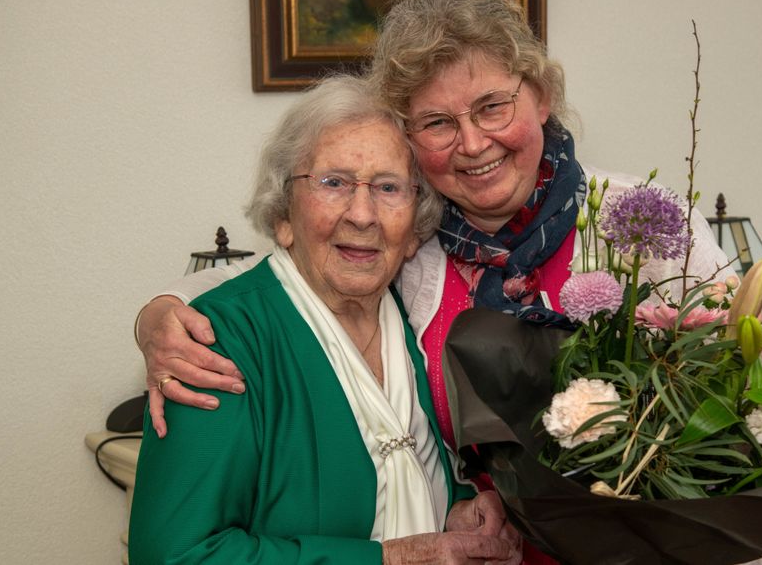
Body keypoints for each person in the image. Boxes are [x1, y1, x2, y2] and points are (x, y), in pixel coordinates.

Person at [136, 0, 762, 565]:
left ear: (543, 97)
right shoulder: (415, 247)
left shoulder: (640, 225)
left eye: (493, 106)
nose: (472, 144)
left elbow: (739, 418)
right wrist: (162, 316)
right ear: (413, 146)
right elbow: (292, 264)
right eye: (438, 123)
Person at [128, 75, 522, 564]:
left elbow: (406, 483)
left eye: (388, 187)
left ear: (416, 225)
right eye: (332, 183)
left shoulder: (413, 315)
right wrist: (392, 560)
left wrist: (460, 513)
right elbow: (175, 555)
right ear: (283, 217)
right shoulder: (213, 341)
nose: (362, 214)